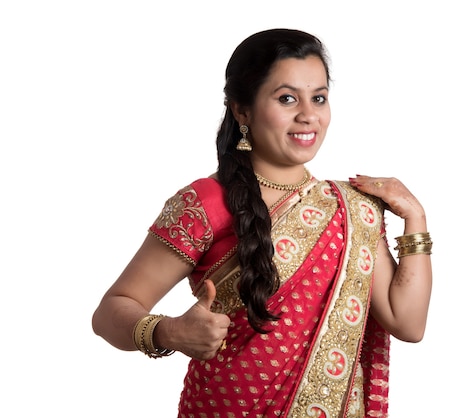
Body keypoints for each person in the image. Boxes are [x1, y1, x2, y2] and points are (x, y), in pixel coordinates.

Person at [92, 28, 432, 417]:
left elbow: (408, 323)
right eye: (287, 98)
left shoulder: (353, 210)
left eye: (318, 98)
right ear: (242, 110)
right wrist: (169, 332)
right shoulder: (205, 202)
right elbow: (110, 313)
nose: (308, 115)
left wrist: (415, 219)